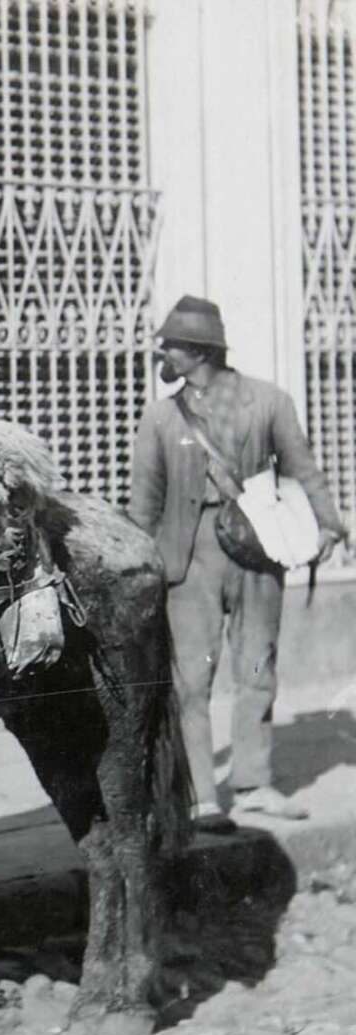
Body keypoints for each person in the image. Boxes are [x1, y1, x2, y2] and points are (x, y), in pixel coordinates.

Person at [129, 295, 344, 827]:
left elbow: (302, 467)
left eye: (172, 345)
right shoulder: (160, 416)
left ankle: (252, 783)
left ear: (199, 351)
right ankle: (202, 797)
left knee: (256, 667)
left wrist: (329, 523)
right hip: (188, 555)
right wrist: (139, 562)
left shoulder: (268, 402)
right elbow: (144, 500)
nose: (164, 352)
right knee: (192, 680)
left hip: (256, 546)